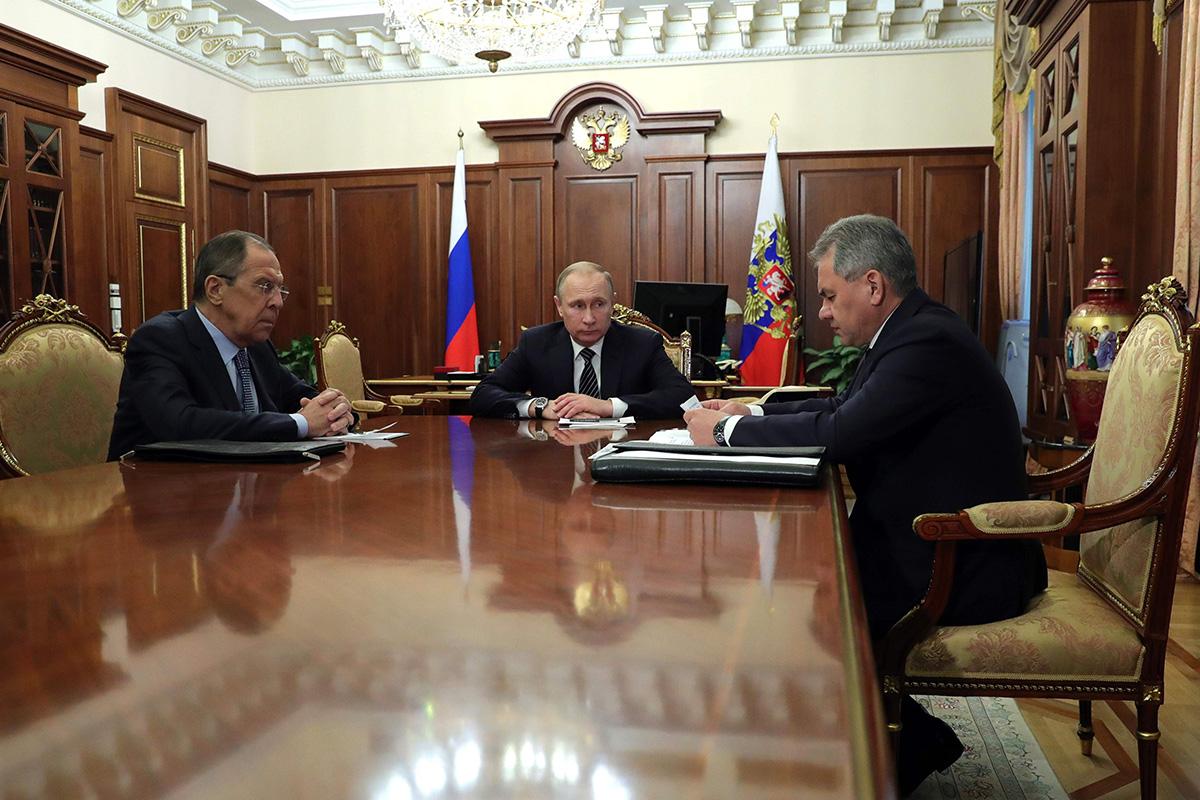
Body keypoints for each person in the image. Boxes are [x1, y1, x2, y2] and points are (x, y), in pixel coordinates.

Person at [684, 214, 1047, 795]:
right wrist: (747, 413)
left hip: (959, 560)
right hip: (925, 540)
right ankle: (898, 746)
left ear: (872, 286)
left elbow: (843, 432)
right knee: (794, 598)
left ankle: (881, 762)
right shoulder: (911, 332)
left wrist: (725, 436)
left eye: (829, 295)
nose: (822, 311)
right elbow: (847, 408)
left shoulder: (926, 342)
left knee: (789, 618)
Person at [108, 230, 353, 459]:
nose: (277, 302)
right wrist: (300, 424)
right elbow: (179, 423)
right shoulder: (161, 339)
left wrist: (336, 411)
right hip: (156, 490)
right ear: (216, 289)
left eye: (280, 290)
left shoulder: (256, 347)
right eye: (265, 286)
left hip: (242, 488)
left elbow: (301, 397)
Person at [468, 261, 694, 420]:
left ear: (612, 304)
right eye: (577, 306)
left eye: (599, 304)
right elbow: (483, 396)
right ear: (559, 306)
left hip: (623, 456)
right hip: (553, 463)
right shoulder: (536, 343)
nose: (589, 319)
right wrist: (541, 406)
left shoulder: (643, 343)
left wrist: (609, 406)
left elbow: (683, 397)